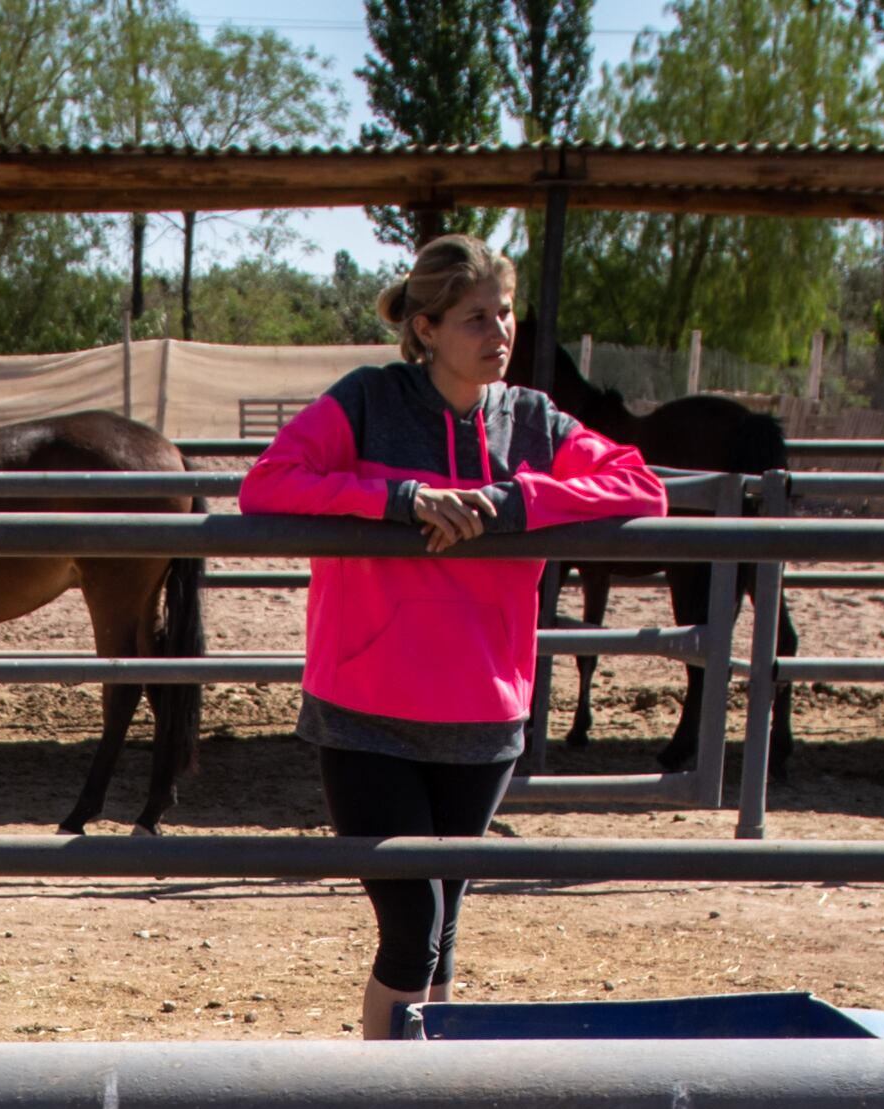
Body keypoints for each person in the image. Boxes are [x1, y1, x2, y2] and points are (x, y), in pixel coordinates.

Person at [240, 235, 666, 1038]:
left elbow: (638, 483)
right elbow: (267, 485)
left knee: (443, 934)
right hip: (368, 707)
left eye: (504, 313)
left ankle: (424, 1105)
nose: (499, 332)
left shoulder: (531, 420)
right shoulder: (369, 400)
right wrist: (399, 498)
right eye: (477, 317)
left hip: (483, 712)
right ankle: (391, 1104)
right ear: (427, 327)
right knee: (411, 927)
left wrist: (517, 503)